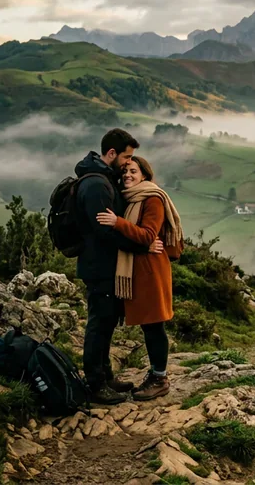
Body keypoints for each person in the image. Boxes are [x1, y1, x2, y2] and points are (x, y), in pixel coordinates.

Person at [74, 128, 162, 405]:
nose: (127, 164)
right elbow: (105, 232)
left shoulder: (104, 179)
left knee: (107, 322)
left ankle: (106, 376)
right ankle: (96, 384)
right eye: (126, 157)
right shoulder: (97, 185)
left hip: (106, 266)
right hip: (99, 267)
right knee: (99, 324)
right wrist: (143, 246)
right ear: (111, 153)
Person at [96, 156, 183, 401]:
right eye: (125, 171)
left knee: (154, 325)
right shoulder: (131, 199)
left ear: (144, 174)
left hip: (151, 271)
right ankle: (156, 375)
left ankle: (160, 379)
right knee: (149, 325)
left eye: (133, 171)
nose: (127, 175)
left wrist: (117, 222)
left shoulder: (152, 199)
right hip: (140, 269)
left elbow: (147, 235)